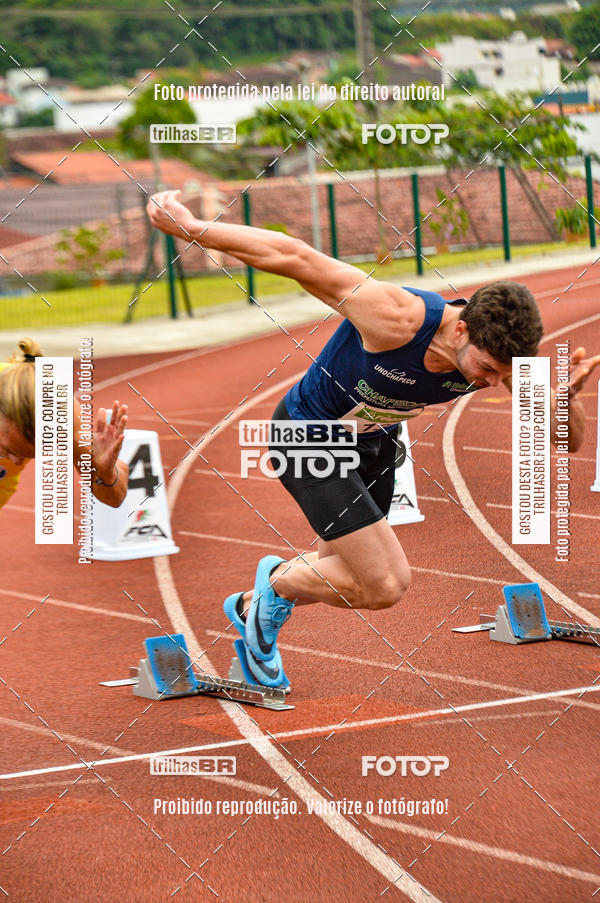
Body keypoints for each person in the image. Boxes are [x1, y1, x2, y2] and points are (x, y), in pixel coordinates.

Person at [147, 189, 600, 689]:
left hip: (374, 444)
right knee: (383, 585)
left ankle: (255, 604)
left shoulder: (504, 358)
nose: (493, 383)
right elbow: (293, 255)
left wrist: (564, 401)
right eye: (487, 370)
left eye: (504, 374)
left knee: (339, 568)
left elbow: (568, 442)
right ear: (462, 329)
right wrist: (192, 229)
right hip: (308, 437)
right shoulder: (395, 317)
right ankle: (271, 592)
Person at [0, 338, 129, 510]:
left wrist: (106, 473)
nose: (16, 462)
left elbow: (115, 499)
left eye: (24, 455)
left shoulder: (61, 414)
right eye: (8, 448)